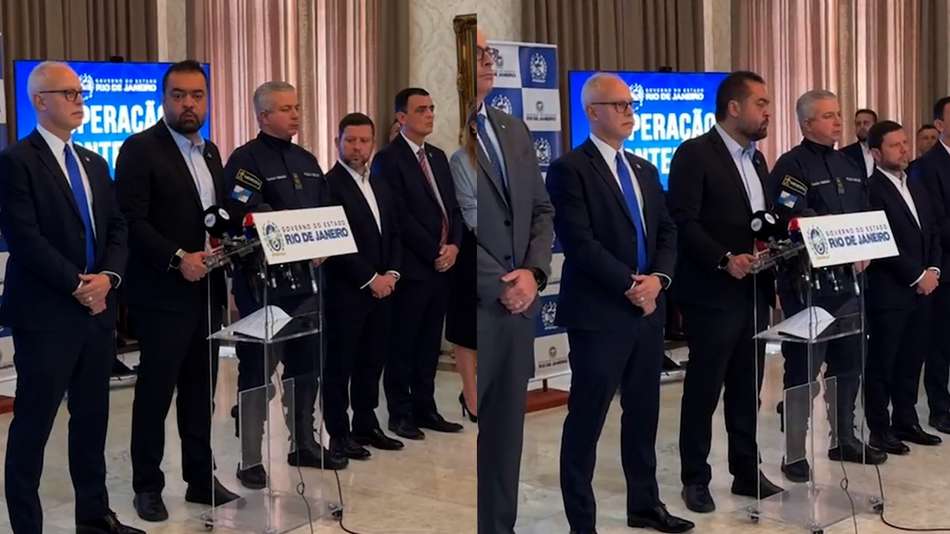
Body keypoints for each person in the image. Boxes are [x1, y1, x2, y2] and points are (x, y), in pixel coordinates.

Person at [547, 72, 693, 534]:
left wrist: (658, 281)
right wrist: (632, 285)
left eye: (632, 105)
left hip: (648, 312)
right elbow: (580, 242)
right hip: (599, 314)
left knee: (644, 413)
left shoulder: (644, 168)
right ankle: (582, 523)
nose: (630, 112)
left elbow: (667, 231)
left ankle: (644, 506)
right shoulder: (570, 169)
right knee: (587, 419)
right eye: (620, 105)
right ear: (593, 112)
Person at [0, 61, 141, 534]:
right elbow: (25, 238)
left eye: (81, 93)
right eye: (69, 93)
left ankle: (94, 518)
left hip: (97, 314)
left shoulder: (94, 162)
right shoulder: (17, 161)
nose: (80, 101)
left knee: (92, 421)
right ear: (40, 101)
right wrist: (80, 285)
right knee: (33, 426)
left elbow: (117, 227)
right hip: (47, 316)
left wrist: (108, 279)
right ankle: (27, 527)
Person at [116, 60, 240, 522]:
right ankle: (147, 487)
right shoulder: (139, 149)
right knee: (156, 393)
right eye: (179, 95)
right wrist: (177, 258)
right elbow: (131, 221)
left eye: (197, 95)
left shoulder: (210, 152)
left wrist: (225, 242)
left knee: (200, 390)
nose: (189, 104)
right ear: (163, 99)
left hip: (207, 289)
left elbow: (214, 215)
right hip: (162, 293)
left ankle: (200, 479)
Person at [222, 81, 349, 490]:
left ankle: (304, 443)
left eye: (297, 107)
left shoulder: (307, 159)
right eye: (286, 109)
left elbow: (327, 211)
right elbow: (244, 214)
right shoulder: (245, 160)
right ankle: (250, 459)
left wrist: (324, 242)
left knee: (307, 364)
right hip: (263, 284)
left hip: (307, 282)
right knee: (257, 370)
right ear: (263, 116)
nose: (295, 114)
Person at [669, 71, 783, 514]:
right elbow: (683, 221)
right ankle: (695, 479)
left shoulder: (758, 160)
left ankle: (746, 471)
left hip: (754, 289)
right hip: (713, 291)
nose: (767, 111)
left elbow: (759, 221)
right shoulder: (694, 153)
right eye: (761, 103)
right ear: (734, 108)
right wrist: (724, 258)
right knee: (704, 389)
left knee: (747, 387)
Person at [768, 90, 887, 484]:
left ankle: (844, 438)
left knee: (849, 362)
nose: (838, 122)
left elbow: (865, 212)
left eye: (838, 114)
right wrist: (838, 241)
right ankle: (794, 452)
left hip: (849, 282)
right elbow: (790, 216)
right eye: (828, 116)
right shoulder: (791, 165)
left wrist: (865, 246)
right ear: (806, 124)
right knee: (803, 369)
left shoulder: (849, 163)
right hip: (808, 284)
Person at [474, 29, 555, 534]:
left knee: (506, 438)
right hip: (474, 306)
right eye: (477, 53)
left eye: (490, 54)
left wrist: (533, 273)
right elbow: (444, 226)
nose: (489, 60)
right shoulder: (437, 136)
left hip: (520, 305)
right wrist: (499, 282)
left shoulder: (512, 127)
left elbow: (541, 209)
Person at [372, 87, 464, 440]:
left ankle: (426, 407)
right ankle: (400, 413)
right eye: (421, 109)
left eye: (432, 108)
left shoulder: (438, 156)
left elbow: (452, 208)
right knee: (403, 343)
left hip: (443, 266)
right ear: (401, 117)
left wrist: (454, 245)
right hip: (412, 266)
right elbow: (398, 216)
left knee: (429, 343)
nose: (429, 115)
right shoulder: (388, 159)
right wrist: (434, 251)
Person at [323, 112, 406, 460]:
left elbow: (394, 232)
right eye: (351, 140)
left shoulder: (380, 183)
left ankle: (366, 423)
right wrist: (371, 279)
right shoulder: (328, 185)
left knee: (372, 360)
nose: (357, 147)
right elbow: (335, 241)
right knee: (340, 365)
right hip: (347, 291)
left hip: (385, 289)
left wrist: (392, 275)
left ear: (373, 143)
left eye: (364, 141)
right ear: (338, 142)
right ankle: (338, 433)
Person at [865, 120, 943, 455]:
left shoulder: (915, 183)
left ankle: (906, 420)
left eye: (905, 143)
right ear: (876, 153)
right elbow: (881, 242)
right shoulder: (871, 189)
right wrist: (916, 275)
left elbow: (933, 230)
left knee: (912, 359)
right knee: (884, 362)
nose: (904, 150)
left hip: (924, 288)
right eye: (895, 145)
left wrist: (934, 269)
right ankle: (879, 429)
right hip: (891, 290)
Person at [912, 97, 950, 435]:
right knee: (941, 342)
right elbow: (935, 222)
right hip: (945, 266)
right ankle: (940, 408)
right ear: (939, 125)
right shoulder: (928, 165)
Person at [840, 108, 878, 177]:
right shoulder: (844, 154)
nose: (861, 127)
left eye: (866, 123)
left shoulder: (884, 152)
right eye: (858, 124)